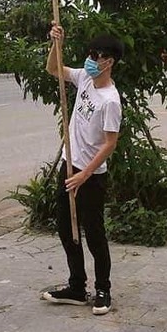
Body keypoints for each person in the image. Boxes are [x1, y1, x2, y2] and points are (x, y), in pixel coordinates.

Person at [42, 24, 123, 315]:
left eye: (96, 55)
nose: (90, 59)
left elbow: (110, 143)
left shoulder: (111, 100)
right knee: (66, 229)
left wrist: (84, 174)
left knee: (94, 233)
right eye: (89, 53)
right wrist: (56, 43)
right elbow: (54, 69)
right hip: (69, 167)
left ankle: (103, 289)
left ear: (109, 61)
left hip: (90, 176)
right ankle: (77, 286)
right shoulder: (85, 79)